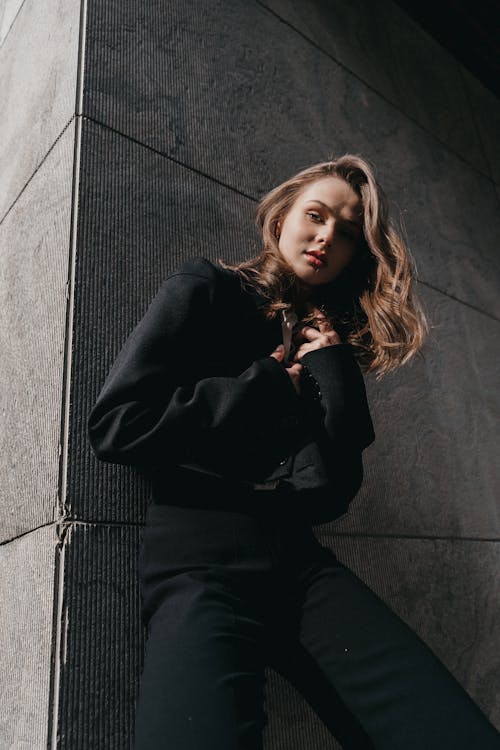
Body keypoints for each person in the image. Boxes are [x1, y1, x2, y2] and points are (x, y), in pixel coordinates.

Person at [88, 154, 500, 749]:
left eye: (349, 233)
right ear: (282, 217)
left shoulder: (321, 346)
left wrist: (333, 371)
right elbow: (117, 424)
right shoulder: (207, 290)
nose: (327, 235)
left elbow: (330, 494)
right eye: (317, 214)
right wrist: (258, 390)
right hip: (198, 567)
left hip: (298, 568)